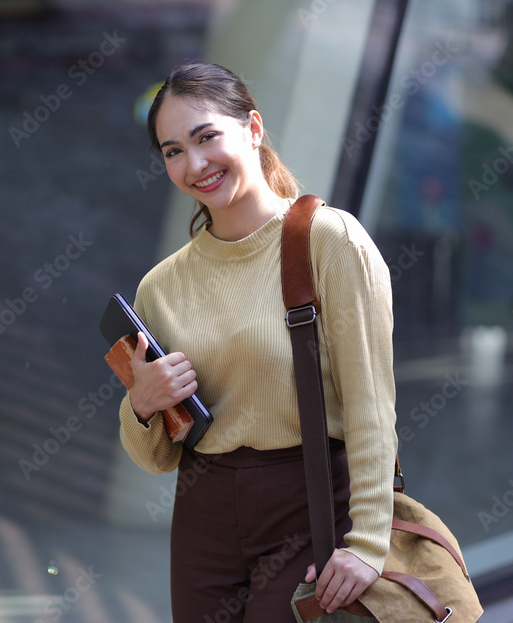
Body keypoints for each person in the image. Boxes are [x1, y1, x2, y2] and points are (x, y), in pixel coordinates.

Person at [118, 63, 397, 621]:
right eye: (173, 151)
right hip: (202, 515)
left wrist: (367, 542)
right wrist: (141, 405)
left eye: (206, 137)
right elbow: (157, 457)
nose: (194, 164)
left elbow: (372, 404)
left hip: (309, 501)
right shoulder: (160, 286)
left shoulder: (329, 241)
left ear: (252, 128)